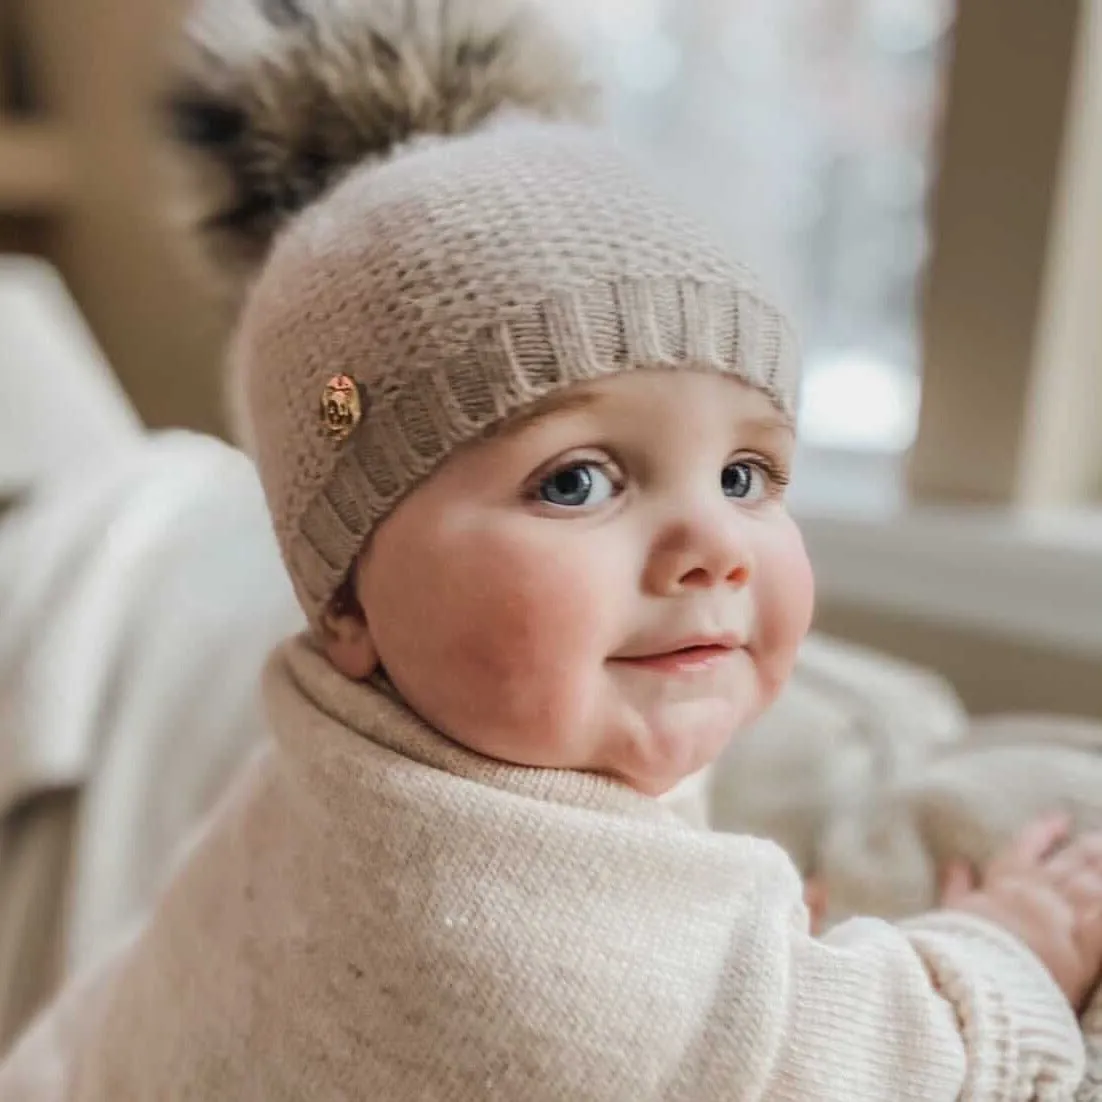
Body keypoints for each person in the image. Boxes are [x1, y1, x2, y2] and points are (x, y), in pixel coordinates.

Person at [3, 0, 1102, 1097]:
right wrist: (1005, 947)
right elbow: (880, 1065)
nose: (714, 545)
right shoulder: (478, 929)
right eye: (576, 480)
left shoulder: (367, 758)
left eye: (745, 475)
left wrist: (730, 957)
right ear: (344, 602)